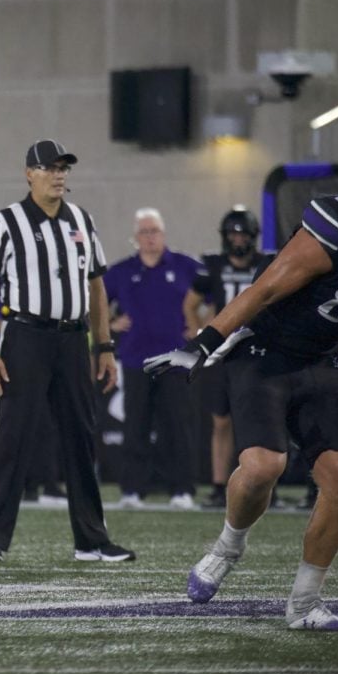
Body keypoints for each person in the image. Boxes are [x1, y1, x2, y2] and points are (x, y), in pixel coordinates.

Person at [145, 133, 338, 632]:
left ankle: (304, 605)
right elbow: (264, 290)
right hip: (266, 351)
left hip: (324, 357)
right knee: (263, 466)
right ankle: (227, 546)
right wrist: (202, 342)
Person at [0, 140, 134, 563]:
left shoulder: (81, 219)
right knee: (11, 436)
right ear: (29, 173)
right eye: (50, 167)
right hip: (25, 336)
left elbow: (96, 287)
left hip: (71, 340)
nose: (59, 175)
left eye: (64, 168)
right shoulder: (7, 222)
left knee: (80, 436)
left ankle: (91, 539)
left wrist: (104, 346)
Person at [103, 208, 203, 510]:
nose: (150, 237)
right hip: (136, 360)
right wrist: (110, 323)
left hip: (175, 360)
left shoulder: (186, 267)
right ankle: (132, 490)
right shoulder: (120, 271)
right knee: (136, 426)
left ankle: (182, 490)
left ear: (163, 234)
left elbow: (214, 298)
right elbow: (94, 301)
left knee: (178, 427)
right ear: (135, 238)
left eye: (154, 231)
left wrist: (200, 327)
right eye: (144, 232)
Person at [182, 205, 272, 509]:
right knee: (221, 422)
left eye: (242, 234)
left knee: (260, 421)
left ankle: (261, 485)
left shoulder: (267, 263)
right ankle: (219, 485)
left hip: (257, 351)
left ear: (253, 237)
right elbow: (190, 304)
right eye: (232, 234)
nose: (237, 240)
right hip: (222, 353)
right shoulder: (213, 265)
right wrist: (199, 336)